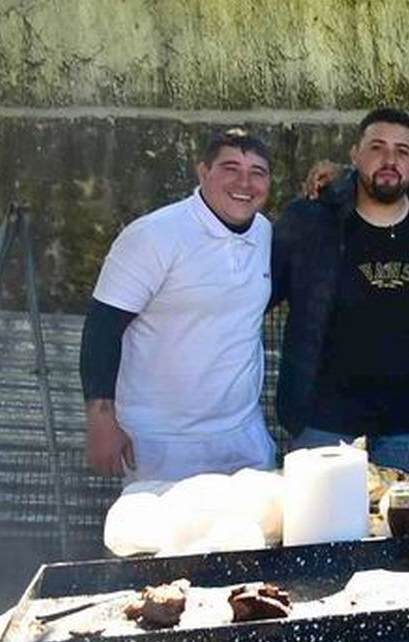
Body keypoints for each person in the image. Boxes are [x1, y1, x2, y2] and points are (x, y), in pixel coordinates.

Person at [271, 107, 409, 475]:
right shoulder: (311, 219)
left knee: (405, 531)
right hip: (324, 425)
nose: (389, 160)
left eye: (402, 151)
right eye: (377, 147)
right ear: (354, 155)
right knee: (320, 530)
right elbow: (256, 297)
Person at [81, 129, 276, 482]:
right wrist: (100, 418)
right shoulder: (154, 235)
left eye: (257, 172)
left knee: (255, 537)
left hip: (243, 437)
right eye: (230, 168)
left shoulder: (264, 232)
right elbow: (102, 327)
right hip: (160, 443)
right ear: (203, 172)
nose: (244, 182)